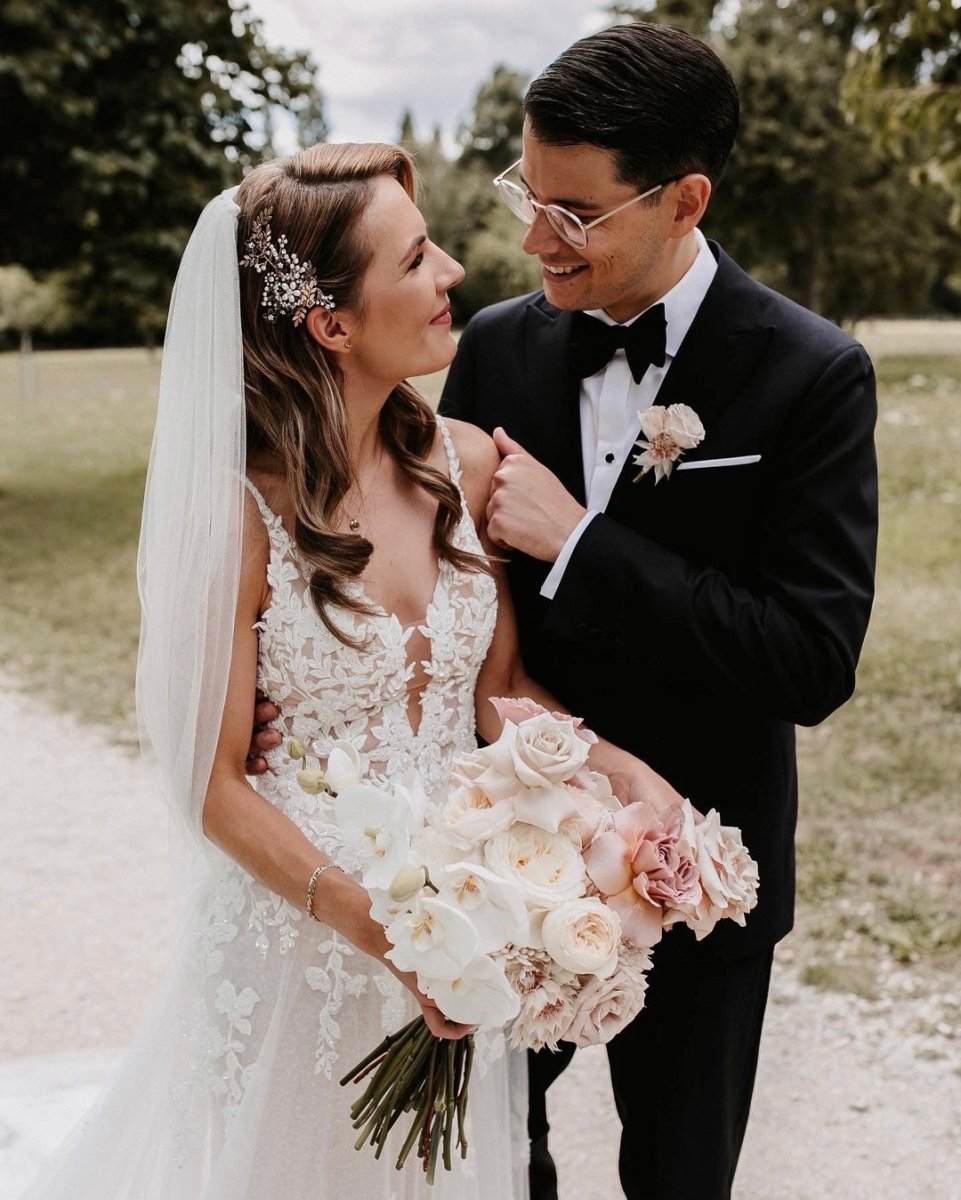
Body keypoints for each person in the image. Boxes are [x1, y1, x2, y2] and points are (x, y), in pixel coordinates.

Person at [24, 142, 681, 1200]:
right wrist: (382, 931)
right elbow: (212, 781)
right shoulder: (242, 514)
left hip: (463, 924)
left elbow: (497, 695)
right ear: (330, 323)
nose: (453, 272)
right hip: (304, 943)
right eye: (415, 259)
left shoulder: (466, 464)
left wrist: (622, 777)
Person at [436, 20, 879, 1200]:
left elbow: (811, 660)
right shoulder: (492, 348)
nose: (533, 238)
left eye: (572, 213)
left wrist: (582, 545)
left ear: (684, 200)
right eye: (527, 195)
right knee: (486, 1165)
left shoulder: (811, 372)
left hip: (698, 869)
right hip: (499, 854)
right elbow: (438, 594)